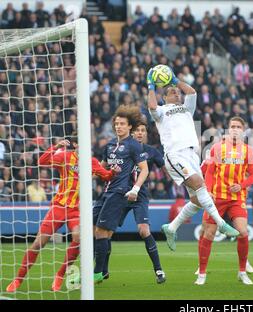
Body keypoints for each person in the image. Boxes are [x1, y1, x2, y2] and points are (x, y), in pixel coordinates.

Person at [6, 135, 120, 292]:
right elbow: (42, 162)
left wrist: (113, 172)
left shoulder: (92, 162)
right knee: (39, 243)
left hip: (77, 210)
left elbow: (105, 175)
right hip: (59, 206)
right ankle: (18, 279)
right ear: (75, 144)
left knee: (79, 238)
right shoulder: (65, 156)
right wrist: (55, 146)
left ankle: (60, 275)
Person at [146, 66, 239, 252]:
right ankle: (221, 223)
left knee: (197, 201)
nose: (177, 93)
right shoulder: (162, 111)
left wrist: (175, 80)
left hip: (191, 155)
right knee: (199, 184)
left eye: (177, 92)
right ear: (164, 96)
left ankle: (171, 227)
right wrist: (150, 85)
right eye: (172, 92)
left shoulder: (186, 108)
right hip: (175, 154)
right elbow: (151, 106)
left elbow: (192, 91)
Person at [195, 117, 253, 285]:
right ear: (228, 129)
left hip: (237, 198)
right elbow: (209, 172)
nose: (235, 129)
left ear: (243, 131)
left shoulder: (248, 151)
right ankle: (201, 274)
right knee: (208, 233)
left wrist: (242, 185)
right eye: (232, 126)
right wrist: (208, 192)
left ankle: (242, 272)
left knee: (243, 232)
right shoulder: (217, 148)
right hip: (217, 197)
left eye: (238, 127)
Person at [92, 105, 149, 284]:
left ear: (129, 126)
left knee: (102, 231)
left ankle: (95, 273)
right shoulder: (109, 145)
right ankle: (103, 270)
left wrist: (136, 189)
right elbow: (100, 169)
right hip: (106, 192)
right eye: (116, 124)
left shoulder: (133, 146)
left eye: (122, 124)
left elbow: (144, 169)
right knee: (96, 231)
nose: (118, 127)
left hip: (120, 192)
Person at [112, 121, 166, 284]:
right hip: (121, 194)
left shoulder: (152, 151)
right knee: (105, 232)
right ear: (131, 132)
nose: (140, 133)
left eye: (143, 130)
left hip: (140, 196)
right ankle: (100, 270)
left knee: (143, 230)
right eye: (137, 130)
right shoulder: (121, 149)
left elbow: (166, 168)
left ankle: (158, 270)